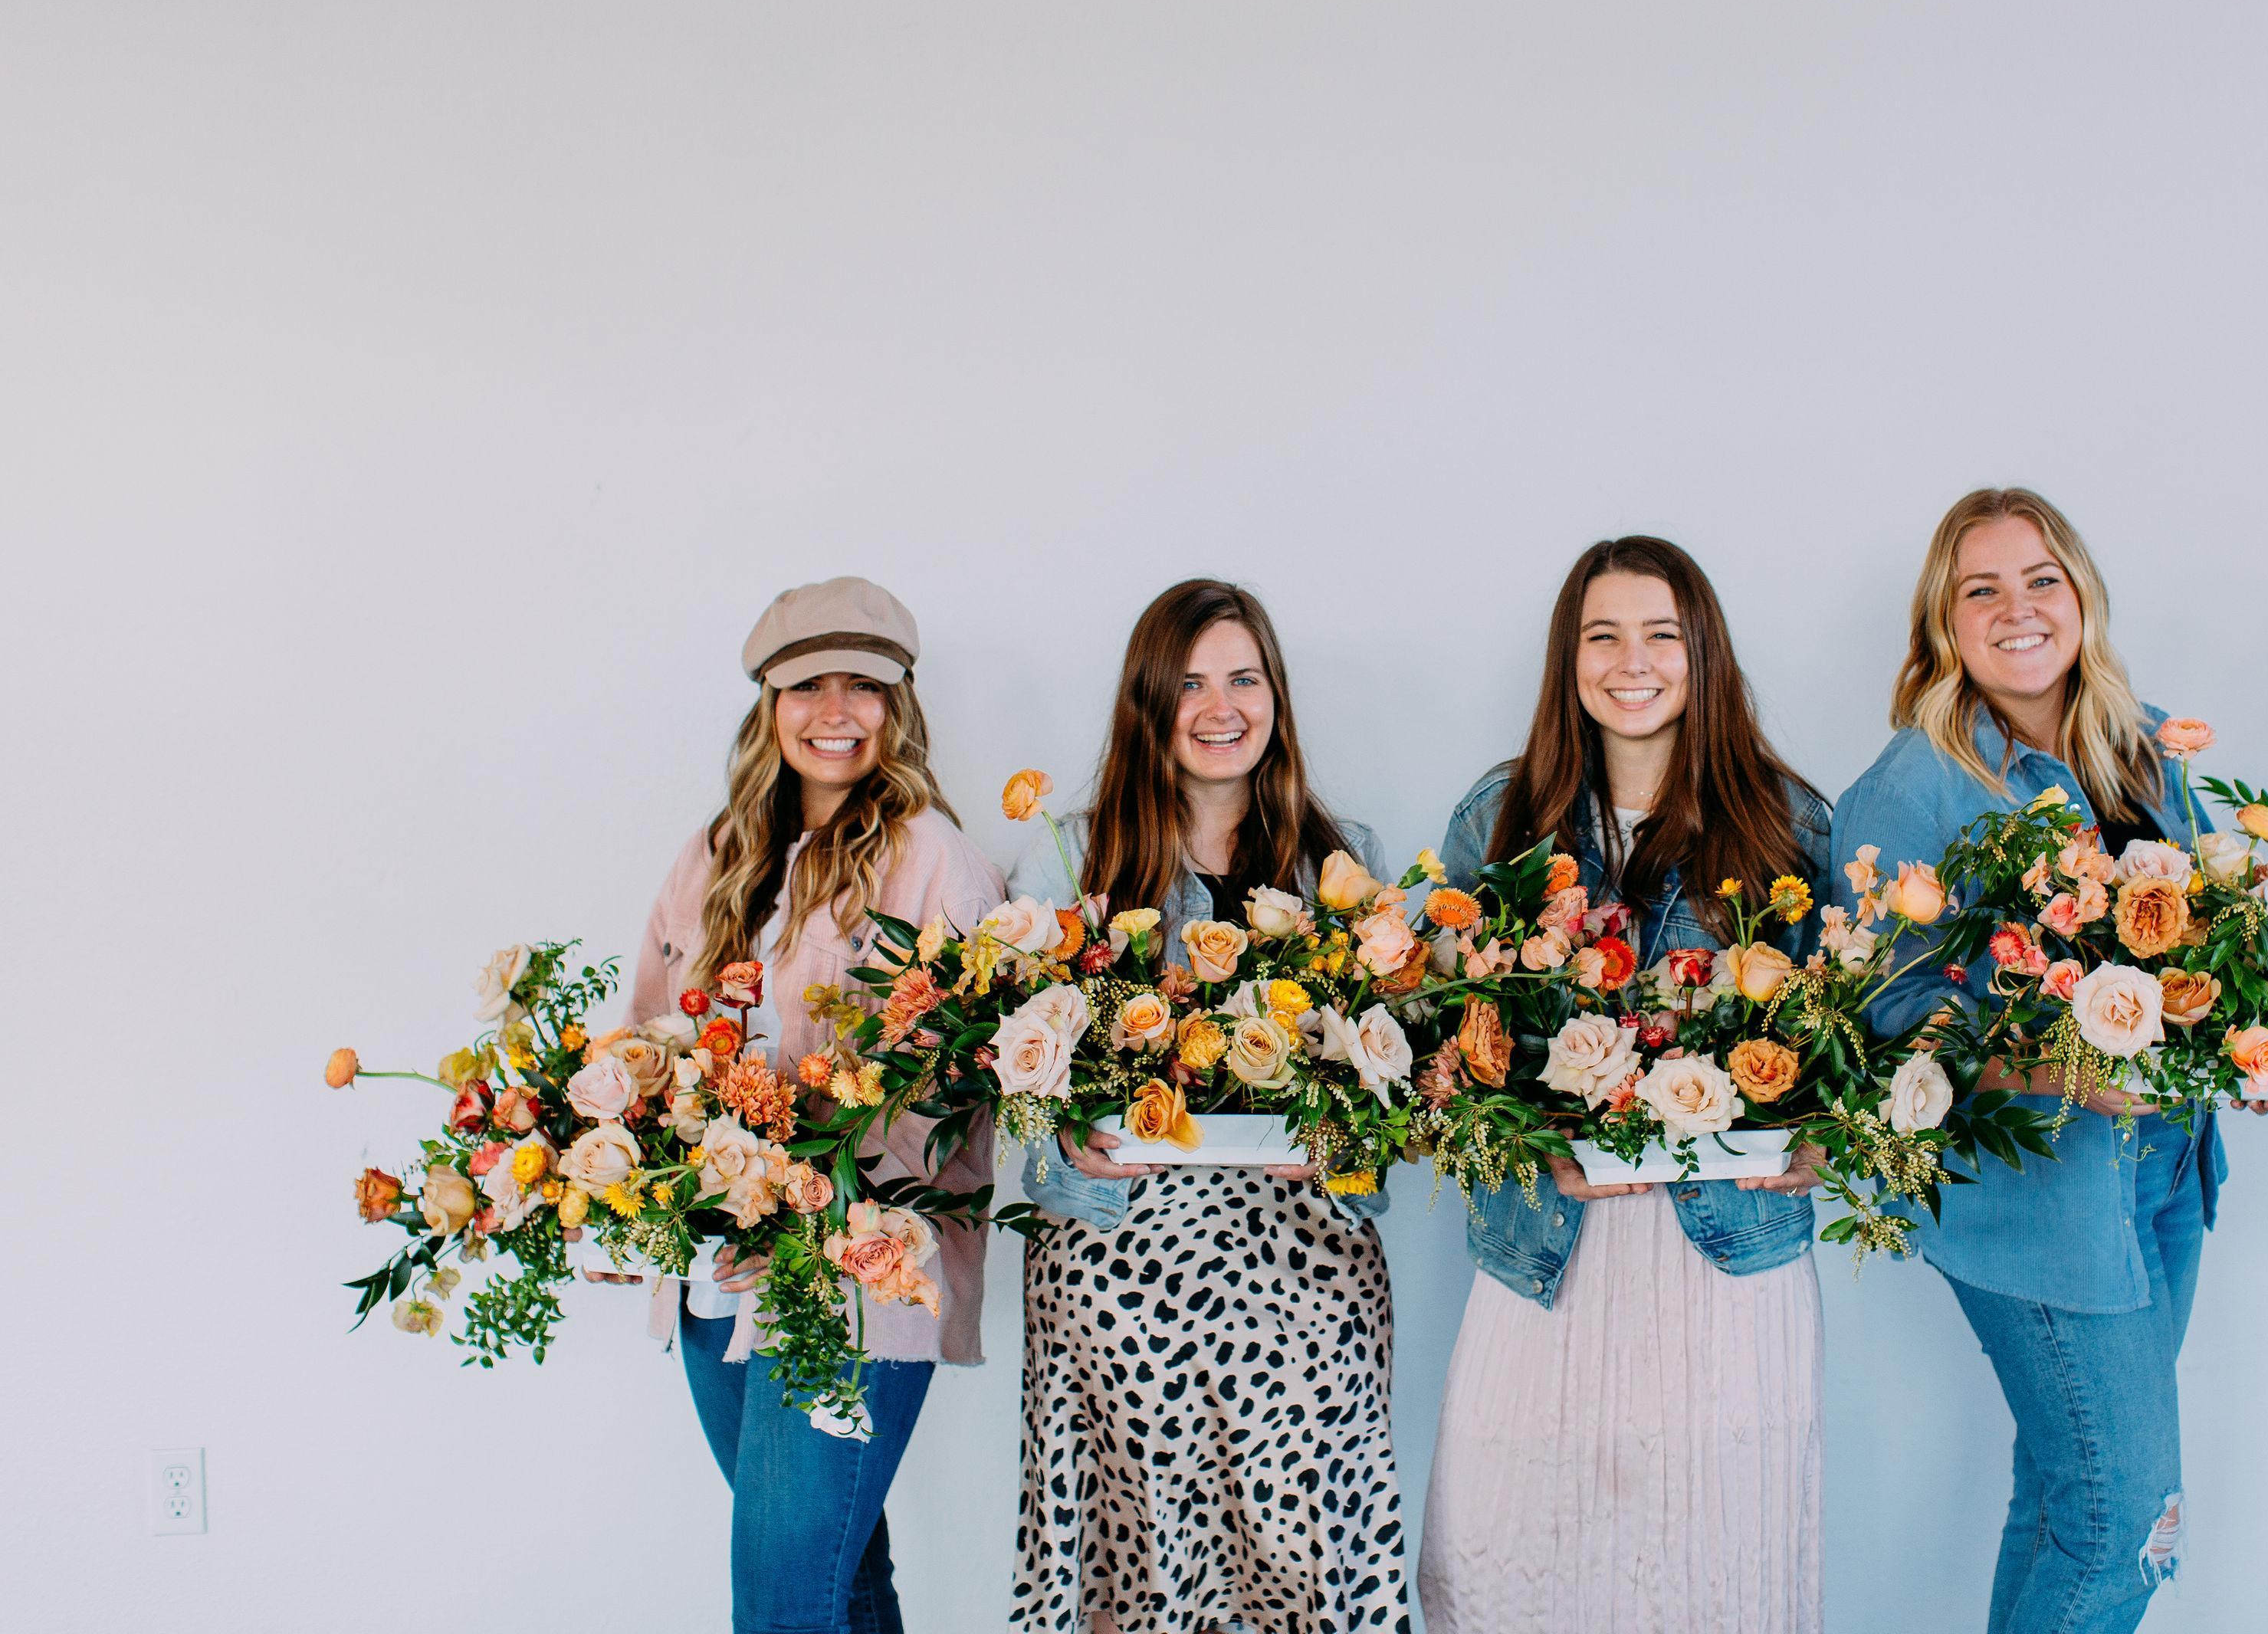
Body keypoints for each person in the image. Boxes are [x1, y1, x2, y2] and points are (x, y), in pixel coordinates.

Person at [1833, 487, 2247, 1634]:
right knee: (2128, 1529)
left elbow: (2212, 936)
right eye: (1982, 590)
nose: (2017, 609)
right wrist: (2056, 1072)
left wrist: (2254, 1029)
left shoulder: (2143, 746)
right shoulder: (1914, 787)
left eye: (2041, 580)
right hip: (2043, 1203)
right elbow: (1882, 1025)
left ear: (2082, 597)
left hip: (2166, 1172)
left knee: (2072, 1505)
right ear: (1944, 623)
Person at [1416, 535, 1830, 1634]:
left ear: (1705, 654)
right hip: (1545, 1257)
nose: (1632, 661)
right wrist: (1520, 1135)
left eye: (1662, 635)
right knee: (1513, 1561)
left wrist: (1829, 1131)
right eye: (1603, 636)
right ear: (1570, 658)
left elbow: (1855, 1036)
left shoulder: (1787, 823)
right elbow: (1428, 1043)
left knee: (1712, 1565)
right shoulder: (1500, 819)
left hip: (1729, 1266)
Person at [1007, 579, 1409, 1634]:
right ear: (1148, 699)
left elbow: (1393, 1099)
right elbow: (1013, 1094)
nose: (1220, 707)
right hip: (1121, 1281)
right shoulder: (1069, 859)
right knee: (1149, 1582)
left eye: (1244, 678)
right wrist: (1066, 1149)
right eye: (1188, 683)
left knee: (1311, 1573)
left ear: (1276, 696)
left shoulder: (1347, 862)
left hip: (1308, 1280)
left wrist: (1346, 1150)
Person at [611, 576, 1007, 1634]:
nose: (836, 712)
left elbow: (952, 1091)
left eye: (863, 687)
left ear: (898, 704)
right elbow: (646, 1043)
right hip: (713, 1282)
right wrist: (628, 1197)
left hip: (852, 1280)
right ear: (769, 704)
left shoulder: (936, 861)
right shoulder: (714, 856)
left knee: (784, 1605)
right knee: (842, 1584)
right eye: (808, 687)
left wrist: (789, 1202)